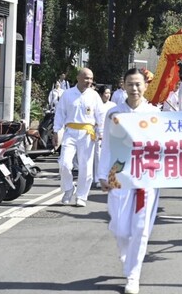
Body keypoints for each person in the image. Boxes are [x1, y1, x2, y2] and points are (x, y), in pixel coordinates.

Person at [98, 68, 160, 294]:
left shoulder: (155, 113)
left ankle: (133, 276)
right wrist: (102, 175)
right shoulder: (114, 114)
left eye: (138, 84)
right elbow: (106, 148)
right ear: (123, 85)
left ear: (145, 86)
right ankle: (126, 250)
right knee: (120, 228)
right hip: (119, 175)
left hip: (147, 178)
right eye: (130, 84)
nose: (134, 89)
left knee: (141, 229)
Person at [52, 68, 105, 207]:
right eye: (86, 78)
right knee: (64, 163)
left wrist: (101, 132)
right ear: (78, 78)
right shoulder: (67, 94)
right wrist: (56, 131)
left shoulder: (94, 96)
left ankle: (81, 196)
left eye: (91, 79)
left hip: (87, 134)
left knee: (86, 167)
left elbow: (100, 115)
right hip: (70, 132)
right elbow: (60, 114)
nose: (89, 81)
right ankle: (69, 188)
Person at [93, 85, 117, 188]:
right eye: (105, 93)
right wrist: (99, 132)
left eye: (109, 93)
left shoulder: (113, 105)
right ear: (101, 94)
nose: (107, 95)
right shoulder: (96, 105)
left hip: (110, 133)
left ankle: (110, 177)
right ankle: (98, 178)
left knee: (110, 156)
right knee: (98, 157)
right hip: (98, 133)